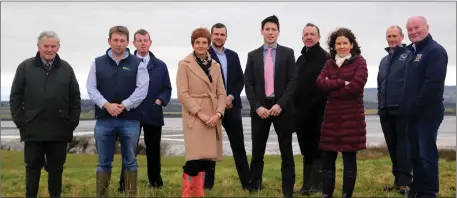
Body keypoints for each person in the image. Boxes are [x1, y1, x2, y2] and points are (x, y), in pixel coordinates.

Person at [9, 30, 81, 197]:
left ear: (58, 47)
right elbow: (15, 97)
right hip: (33, 130)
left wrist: (71, 123)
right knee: (32, 170)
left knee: (56, 170)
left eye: (53, 46)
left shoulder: (66, 69)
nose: (49, 49)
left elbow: (75, 98)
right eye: (46, 46)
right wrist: (21, 122)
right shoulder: (25, 67)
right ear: (38, 47)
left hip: (59, 130)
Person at [86, 25, 149, 197]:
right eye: (115, 40)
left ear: (128, 42)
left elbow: (142, 89)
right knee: (103, 162)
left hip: (130, 120)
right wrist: (106, 105)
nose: (119, 44)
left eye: (122, 41)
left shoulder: (138, 64)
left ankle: (131, 195)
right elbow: (91, 88)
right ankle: (102, 195)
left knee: (130, 161)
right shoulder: (97, 62)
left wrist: (124, 105)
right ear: (109, 41)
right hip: (104, 120)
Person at [244, 15, 297, 198]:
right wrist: (257, 107)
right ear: (262, 32)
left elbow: (293, 82)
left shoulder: (288, 53)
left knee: (286, 152)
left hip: (281, 108)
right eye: (267, 29)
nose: (270, 32)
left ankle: (288, 190)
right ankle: (254, 189)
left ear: (278, 32)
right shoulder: (252, 56)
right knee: (257, 151)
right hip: (260, 110)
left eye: (274, 29)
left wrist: (280, 104)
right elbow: (248, 84)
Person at [315, 27, 368, 198]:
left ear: (352, 44)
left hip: (352, 119)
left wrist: (332, 87)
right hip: (331, 118)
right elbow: (320, 83)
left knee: (349, 159)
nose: (342, 46)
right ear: (333, 45)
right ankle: (326, 194)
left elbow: (356, 86)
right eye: (338, 43)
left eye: (345, 43)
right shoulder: (329, 63)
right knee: (327, 158)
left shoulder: (360, 62)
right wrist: (340, 82)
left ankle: (346, 194)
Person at [118, 29, 172, 192]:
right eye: (139, 40)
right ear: (133, 43)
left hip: (153, 113)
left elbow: (167, 89)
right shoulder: (126, 63)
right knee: (129, 151)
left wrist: (159, 100)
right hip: (131, 113)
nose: (142, 43)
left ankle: (156, 183)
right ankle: (125, 185)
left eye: (145, 40)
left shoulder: (160, 65)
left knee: (154, 150)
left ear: (150, 42)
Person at [176, 27, 226, 197]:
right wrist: (200, 114)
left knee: (206, 159)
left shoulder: (215, 65)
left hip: (213, 115)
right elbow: (182, 94)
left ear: (208, 44)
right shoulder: (184, 64)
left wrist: (218, 113)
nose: (201, 45)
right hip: (194, 116)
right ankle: (187, 193)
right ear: (193, 44)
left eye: (204, 42)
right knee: (194, 159)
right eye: (197, 42)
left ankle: (199, 192)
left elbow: (221, 92)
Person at [402, 16, 448, 198]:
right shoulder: (412, 52)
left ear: (427, 27)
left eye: (416, 28)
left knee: (426, 155)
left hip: (428, 114)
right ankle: (417, 189)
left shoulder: (435, 51)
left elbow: (432, 85)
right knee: (413, 155)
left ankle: (429, 192)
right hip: (411, 114)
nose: (413, 32)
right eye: (410, 29)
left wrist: (414, 106)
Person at [205, 22, 250, 190]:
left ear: (226, 36)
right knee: (210, 148)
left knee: (239, 147)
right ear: (211, 36)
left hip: (232, 107)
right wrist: (219, 102)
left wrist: (230, 97)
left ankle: (248, 184)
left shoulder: (233, 55)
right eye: (216, 34)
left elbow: (240, 80)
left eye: (222, 34)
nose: (218, 37)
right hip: (211, 109)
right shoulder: (203, 55)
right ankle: (208, 185)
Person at [294, 23, 330, 196]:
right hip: (301, 114)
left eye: (312, 34)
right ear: (302, 37)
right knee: (305, 150)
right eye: (306, 34)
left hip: (319, 113)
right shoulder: (300, 59)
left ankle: (318, 186)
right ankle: (306, 185)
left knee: (317, 150)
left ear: (318, 37)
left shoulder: (325, 58)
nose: (309, 37)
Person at [377, 25, 412, 195]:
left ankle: (406, 182)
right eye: (389, 36)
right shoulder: (384, 61)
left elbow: (411, 83)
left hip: (402, 109)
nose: (391, 39)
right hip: (385, 109)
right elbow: (380, 84)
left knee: (403, 146)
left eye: (394, 36)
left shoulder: (409, 55)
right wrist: (380, 106)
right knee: (392, 146)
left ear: (402, 37)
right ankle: (397, 181)